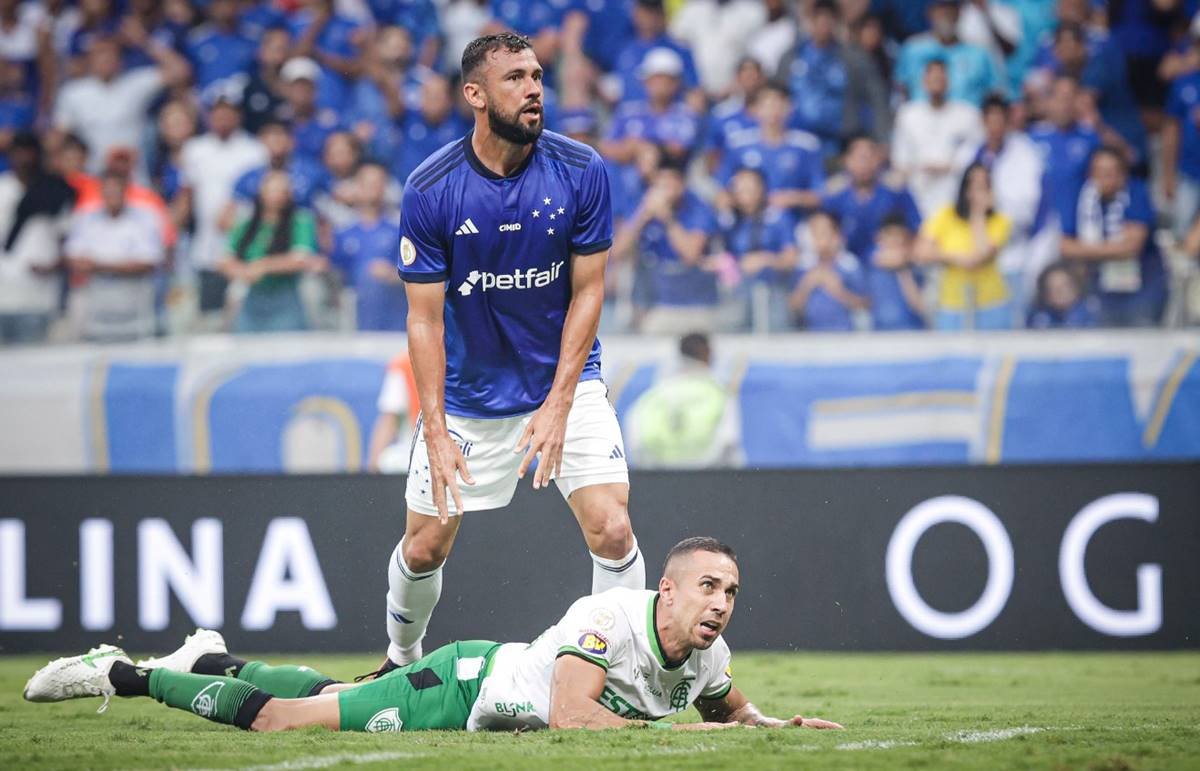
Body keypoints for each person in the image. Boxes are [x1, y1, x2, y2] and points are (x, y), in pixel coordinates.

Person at [386, 34, 644, 676]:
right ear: (474, 94)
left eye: (537, 76)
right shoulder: (431, 188)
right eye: (515, 79)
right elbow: (423, 322)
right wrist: (436, 429)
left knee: (612, 528)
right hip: (470, 398)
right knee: (423, 549)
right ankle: (400, 659)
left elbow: (590, 292)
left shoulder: (582, 170)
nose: (534, 89)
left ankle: (603, 678)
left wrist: (560, 402)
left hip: (565, 382)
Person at [25, 537, 843, 734]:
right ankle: (124, 673)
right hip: (465, 684)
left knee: (330, 694)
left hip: (481, 686)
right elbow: (572, 715)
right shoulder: (612, 617)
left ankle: (211, 657)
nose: (722, 602)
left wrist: (774, 731)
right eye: (709, 585)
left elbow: (729, 708)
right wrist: (694, 747)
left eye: (731, 590)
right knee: (286, 722)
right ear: (667, 586)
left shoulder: (708, 652)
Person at [51, 35, 190, 177]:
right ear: (90, 59)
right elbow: (58, 136)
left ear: (120, 59)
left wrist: (144, 41)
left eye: (111, 54)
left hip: (133, 177)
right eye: (100, 54)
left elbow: (180, 71)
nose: (105, 59)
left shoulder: (135, 84)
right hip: (92, 178)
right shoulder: (73, 93)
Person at [956, 94, 1045, 314]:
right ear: (982, 121)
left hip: (1013, 250)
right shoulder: (968, 152)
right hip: (973, 247)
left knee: (1010, 318)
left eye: (1000, 119)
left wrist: (993, 204)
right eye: (990, 119)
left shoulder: (1026, 153)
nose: (995, 126)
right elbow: (958, 198)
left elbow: (1029, 205)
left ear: (1008, 120)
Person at [1060, 147, 1166, 328]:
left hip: (1142, 286)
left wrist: (1085, 250)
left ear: (1122, 174)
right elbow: (1065, 246)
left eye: (1110, 172)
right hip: (1099, 287)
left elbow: (1131, 247)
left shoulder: (1137, 193)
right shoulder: (1081, 197)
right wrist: (1114, 248)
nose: (1104, 178)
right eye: (1098, 172)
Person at [613, 153, 720, 333]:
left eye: (669, 185)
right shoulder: (641, 206)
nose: (664, 192)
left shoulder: (698, 208)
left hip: (693, 302)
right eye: (659, 185)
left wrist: (668, 219)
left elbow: (691, 255)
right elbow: (617, 252)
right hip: (653, 301)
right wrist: (642, 217)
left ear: (682, 185)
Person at [63, 167, 164, 341]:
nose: (112, 196)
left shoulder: (145, 217)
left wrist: (99, 265)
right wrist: (122, 265)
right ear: (100, 191)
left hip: (134, 304)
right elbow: (74, 259)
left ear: (126, 190)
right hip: (97, 304)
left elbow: (149, 262)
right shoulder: (86, 218)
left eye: (116, 190)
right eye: (107, 190)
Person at [217, 169, 325, 333]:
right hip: (252, 301)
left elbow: (300, 259)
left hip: (286, 301)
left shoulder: (300, 221)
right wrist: (243, 272)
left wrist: (265, 265)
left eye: (281, 191)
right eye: (271, 190)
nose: (276, 196)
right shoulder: (246, 224)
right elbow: (226, 259)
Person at [915, 162, 1013, 330]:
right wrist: (955, 257)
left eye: (983, 187)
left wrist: (978, 214)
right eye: (973, 187)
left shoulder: (1000, 222)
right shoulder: (946, 216)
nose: (976, 194)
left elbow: (981, 254)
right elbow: (920, 251)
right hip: (953, 303)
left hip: (990, 302)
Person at [627, 336, 742, 468]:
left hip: (659, 480)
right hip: (709, 481)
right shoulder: (720, 396)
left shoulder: (652, 396)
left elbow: (636, 443)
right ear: (707, 354)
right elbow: (729, 443)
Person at [0, 132, 71, 344]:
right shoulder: (2, 188)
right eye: (18, 152)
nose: (24, 158)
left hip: (40, 294)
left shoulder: (55, 188)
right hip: (4, 290)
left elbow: (67, 238)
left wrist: (56, 264)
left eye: (28, 151)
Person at [891, 58, 983, 218]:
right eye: (932, 78)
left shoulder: (967, 115)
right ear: (924, 82)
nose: (936, 83)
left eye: (941, 78)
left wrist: (949, 166)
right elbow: (900, 158)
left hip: (954, 189)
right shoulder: (908, 114)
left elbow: (975, 152)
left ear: (948, 82)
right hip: (918, 188)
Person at [715, 82, 824, 215]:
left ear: (789, 108)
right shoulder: (738, 144)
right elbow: (722, 193)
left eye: (778, 104)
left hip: (792, 223)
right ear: (756, 109)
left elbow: (819, 196)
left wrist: (793, 198)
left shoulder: (807, 146)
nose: (773, 111)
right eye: (767, 105)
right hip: (749, 223)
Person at [718, 167, 798, 331]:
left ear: (762, 188)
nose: (745, 191)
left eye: (750, 185)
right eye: (739, 186)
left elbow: (791, 258)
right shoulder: (729, 221)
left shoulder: (778, 217)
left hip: (773, 291)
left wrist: (766, 259)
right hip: (738, 293)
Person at [821, 134, 922, 264]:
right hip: (844, 261)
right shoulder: (834, 193)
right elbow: (822, 230)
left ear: (878, 159)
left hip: (887, 261)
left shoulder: (896, 189)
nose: (863, 164)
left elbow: (916, 227)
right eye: (858, 158)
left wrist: (904, 252)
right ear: (846, 160)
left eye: (868, 157)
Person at [330, 161, 406, 331]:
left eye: (378, 183)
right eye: (366, 183)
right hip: (353, 312)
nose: (372, 188)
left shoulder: (400, 227)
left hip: (394, 310)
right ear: (356, 186)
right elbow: (335, 274)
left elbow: (419, 271)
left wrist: (393, 275)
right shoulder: (342, 231)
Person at [895, 0, 1004, 106]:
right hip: (920, 121)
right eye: (940, 9)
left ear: (959, 13)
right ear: (930, 13)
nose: (946, 15)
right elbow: (901, 90)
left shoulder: (979, 53)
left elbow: (995, 94)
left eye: (950, 9)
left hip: (968, 121)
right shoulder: (912, 49)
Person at [788, 209, 868, 331]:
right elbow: (793, 305)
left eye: (823, 232)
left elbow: (866, 303)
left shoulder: (850, 265)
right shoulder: (804, 266)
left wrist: (838, 291)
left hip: (845, 336)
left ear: (837, 235)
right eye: (814, 233)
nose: (818, 239)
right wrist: (807, 284)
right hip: (811, 337)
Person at [865, 214, 926, 331]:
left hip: (912, 330)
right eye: (890, 235)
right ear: (879, 237)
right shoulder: (869, 260)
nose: (896, 240)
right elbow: (878, 258)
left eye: (900, 235)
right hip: (879, 332)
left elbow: (919, 306)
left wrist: (903, 270)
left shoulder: (915, 267)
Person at [367, 351, 418, 473]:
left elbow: (388, 420)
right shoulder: (405, 364)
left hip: (454, 448)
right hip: (417, 450)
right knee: (389, 461)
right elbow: (389, 420)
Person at [1026, 261, 1096, 328]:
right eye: (1054, 288)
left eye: (1065, 286)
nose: (1061, 292)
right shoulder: (1039, 318)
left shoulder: (1092, 313)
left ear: (1076, 287)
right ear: (1046, 294)